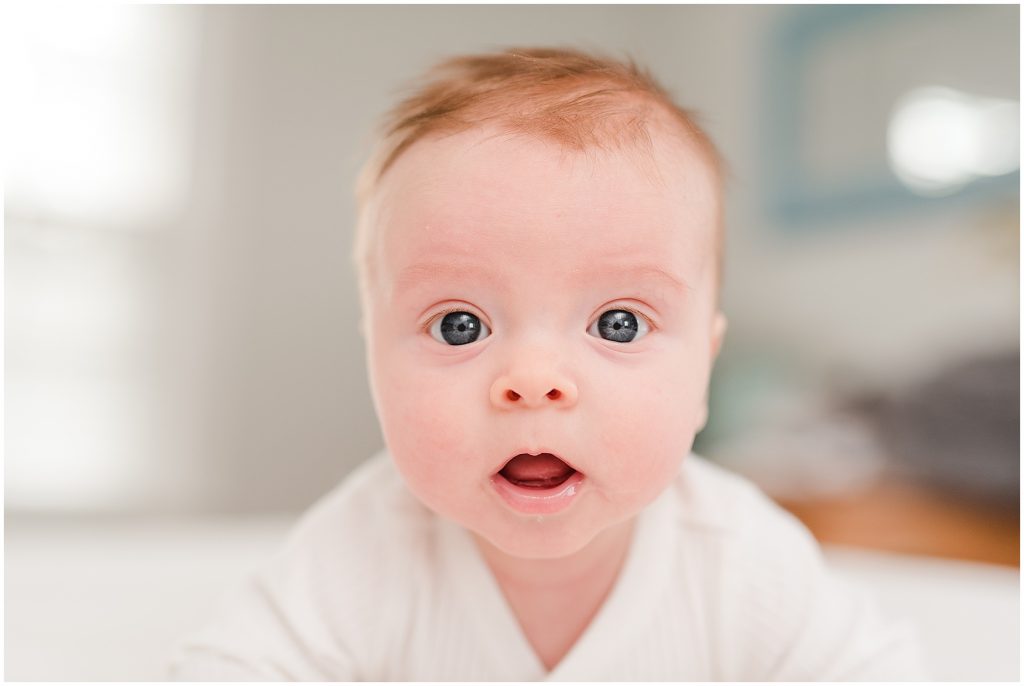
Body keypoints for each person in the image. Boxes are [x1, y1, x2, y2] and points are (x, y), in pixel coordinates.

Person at [168, 47, 924, 680]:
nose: (533, 380)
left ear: (704, 374)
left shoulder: (739, 559)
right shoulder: (362, 549)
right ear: (373, 354)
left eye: (618, 323)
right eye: (460, 325)